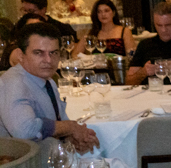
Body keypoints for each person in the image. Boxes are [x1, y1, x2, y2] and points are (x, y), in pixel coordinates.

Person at [0, 22, 99, 151]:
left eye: (53, 53)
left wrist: (73, 139)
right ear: (20, 55)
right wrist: (71, 127)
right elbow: (25, 130)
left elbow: (59, 123)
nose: (48, 60)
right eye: (38, 53)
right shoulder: (13, 82)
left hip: (50, 157)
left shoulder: (49, 81)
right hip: (23, 163)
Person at [71, 0, 135, 58]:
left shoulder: (124, 31)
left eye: (106, 11)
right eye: (99, 12)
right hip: (97, 66)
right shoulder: (92, 33)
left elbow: (131, 55)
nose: (103, 14)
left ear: (113, 13)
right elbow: (75, 54)